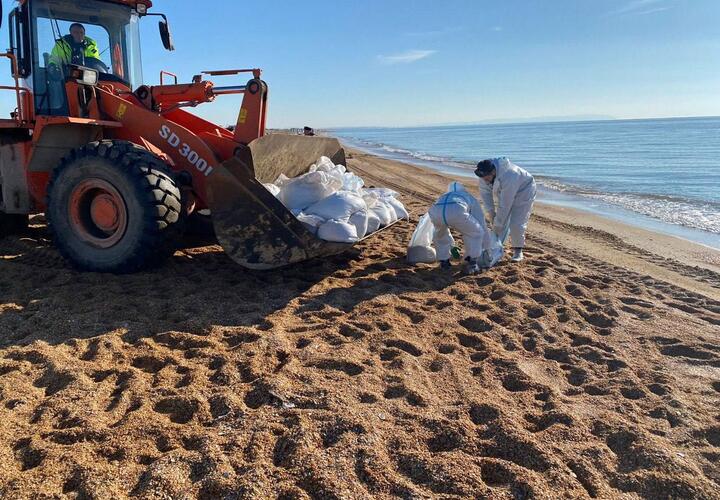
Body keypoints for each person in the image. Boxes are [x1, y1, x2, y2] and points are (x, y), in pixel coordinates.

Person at [475, 157, 537, 262]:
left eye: (486, 178)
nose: (485, 181)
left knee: (516, 223)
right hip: (506, 190)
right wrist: (491, 214)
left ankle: (518, 252)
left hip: (524, 190)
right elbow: (486, 196)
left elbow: (505, 205)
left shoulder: (510, 175)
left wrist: (497, 224)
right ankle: (497, 246)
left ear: (493, 172)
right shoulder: (483, 175)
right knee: (499, 220)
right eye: (483, 178)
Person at [428, 181, 495, 274]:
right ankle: (471, 262)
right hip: (457, 209)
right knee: (476, 232)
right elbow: (481, 223)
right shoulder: (469, 197)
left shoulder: (444, 196)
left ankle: (444, 261)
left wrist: (452, 245)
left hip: (435, 211)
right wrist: (487, 248)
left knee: (440, 234)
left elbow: (440, 212)